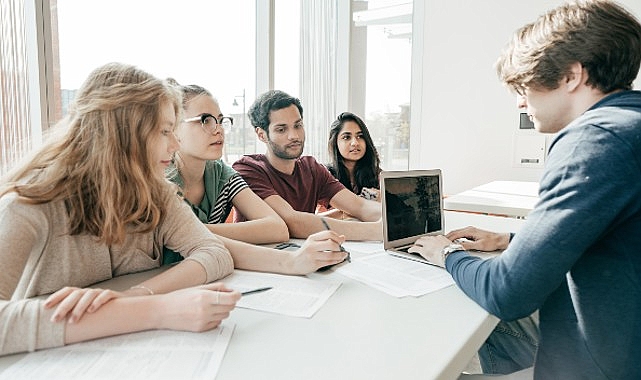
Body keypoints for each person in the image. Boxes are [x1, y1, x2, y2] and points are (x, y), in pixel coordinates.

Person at [409, 1, 641, 379]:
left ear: (571, 76)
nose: (520, 101)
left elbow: (507, 293)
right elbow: (616, 242)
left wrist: (446, 253)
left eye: (524, 86)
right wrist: (511, 239)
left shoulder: (595, 141)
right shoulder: (630, 125)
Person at [0, 63, 240, 357]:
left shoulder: (157, 192)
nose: (176, 143)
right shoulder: (27, 202)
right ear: (122, 136)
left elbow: (214, 253)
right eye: (165, 131)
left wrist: (134, 296)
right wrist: (154, 310)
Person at [162, 81, 347, 272]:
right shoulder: (160, 182)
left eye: (220, 120)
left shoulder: (222, 175)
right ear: (174, 129)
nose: (218, 129)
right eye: (205, 120)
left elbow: (277, 228)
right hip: (163, 278)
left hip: (207, 272)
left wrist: (190, 231)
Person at [232, 90, 383, 241]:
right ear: (261, 134)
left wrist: (398, 217)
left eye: (298, 125)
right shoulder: (247, 169)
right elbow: (292, 221)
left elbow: (361, 207)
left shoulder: (311, 168)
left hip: (304, 256)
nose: (294, 136)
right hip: (258, 260)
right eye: (281, 129)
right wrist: (377, 230)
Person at [326, 112, 382, 202]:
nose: (355, 143)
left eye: (360, 136)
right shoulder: (325, 176)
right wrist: (364, 201)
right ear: (335, 142)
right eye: (346, 137)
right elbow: (318, 214)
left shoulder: (378, 176)